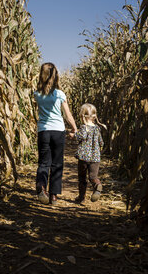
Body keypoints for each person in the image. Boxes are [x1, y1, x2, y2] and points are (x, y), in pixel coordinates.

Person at [34, 63, 77, 205]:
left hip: (43, 131)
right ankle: (53, 196)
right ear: (55, 75)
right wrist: (74, 128)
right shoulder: (59, 94)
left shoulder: (37, 94)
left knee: (44, 163)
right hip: (58, 131)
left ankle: (41, 186)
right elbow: (67, 114)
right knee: (57, 163)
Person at [74, 103, 106, 204]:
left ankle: (81, 198)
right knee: (93, 177)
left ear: (82, 116)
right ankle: (97, 186)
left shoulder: (84, 127)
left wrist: (74, 134)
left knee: (82, 178)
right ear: (94, 116)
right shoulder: (97, 128)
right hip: (95, 158)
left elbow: (80, 137)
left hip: (84, 157)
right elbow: (101, 142)